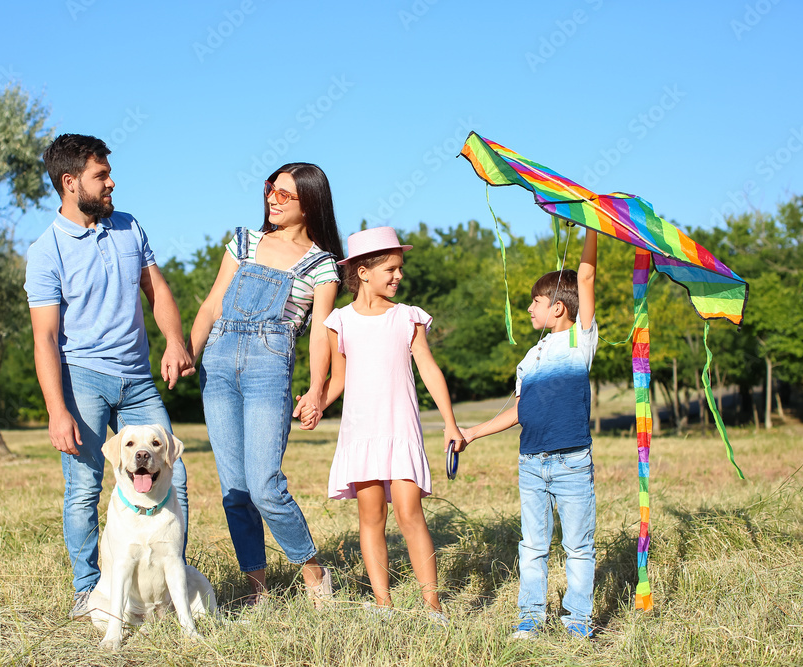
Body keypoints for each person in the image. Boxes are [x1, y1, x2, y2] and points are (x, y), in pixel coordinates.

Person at [24, 134, 191, 618]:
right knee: (84, 485)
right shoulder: (46, 251)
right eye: (101, 175)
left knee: (172, 473)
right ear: (70, 182)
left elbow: (155, 288)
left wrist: (175, 341)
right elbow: (45, 339)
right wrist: (58, 411)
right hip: (83, 380)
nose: (111, 182)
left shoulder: (128, 226)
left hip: (138, 378)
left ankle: (165, 584)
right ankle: (89, 588)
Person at [187, 162, 343, 606]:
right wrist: (187, 351)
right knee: (235, 491)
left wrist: (316, 389)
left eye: (285, 194)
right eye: (270, 191)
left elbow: (320, 333)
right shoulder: (244, 242)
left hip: (269, 368)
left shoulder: (322, 265)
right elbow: (212, 304)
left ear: (310, 202)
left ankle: (313, 572)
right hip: (217, 364)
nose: (273, 200)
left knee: (265, 485)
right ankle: (258, 591)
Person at [316, 226, 464, 621]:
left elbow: (429, 370)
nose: (399, 276)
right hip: (361, 432)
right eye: (392, 269)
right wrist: (316, 402)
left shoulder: (408, 318)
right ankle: (383, 603)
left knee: (409, 512)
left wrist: (451, 423)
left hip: (400, 429)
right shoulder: (340, 321)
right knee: (371, 518)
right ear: (363, 271)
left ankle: (432, 604)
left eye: (400, 269)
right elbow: (339, 379)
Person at [460, 229, 598, 639]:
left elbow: (586, 279)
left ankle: (577, 620)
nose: (527, 308)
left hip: (572, 462)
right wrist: (473, 432)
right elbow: (521, 410)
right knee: (532, 545)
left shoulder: (580, 339)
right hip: (531, 463)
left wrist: (591, 224)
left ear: (558, 307)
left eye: (534, 302)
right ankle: (531, 617)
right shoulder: (530, 357)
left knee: (578, 547)